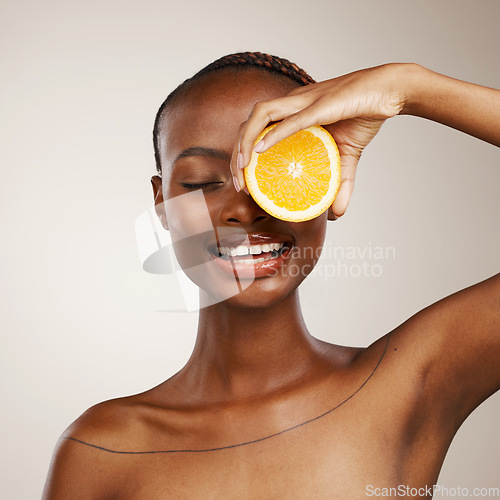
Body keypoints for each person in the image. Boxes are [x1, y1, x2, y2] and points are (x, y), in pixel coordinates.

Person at [43, 52, 499, 499]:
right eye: (202, 182)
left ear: (328, 180)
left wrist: (408, 87)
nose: (243, 210)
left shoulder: (409, 385)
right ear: (162, 203)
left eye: (275, 169)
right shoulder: (100, 449)